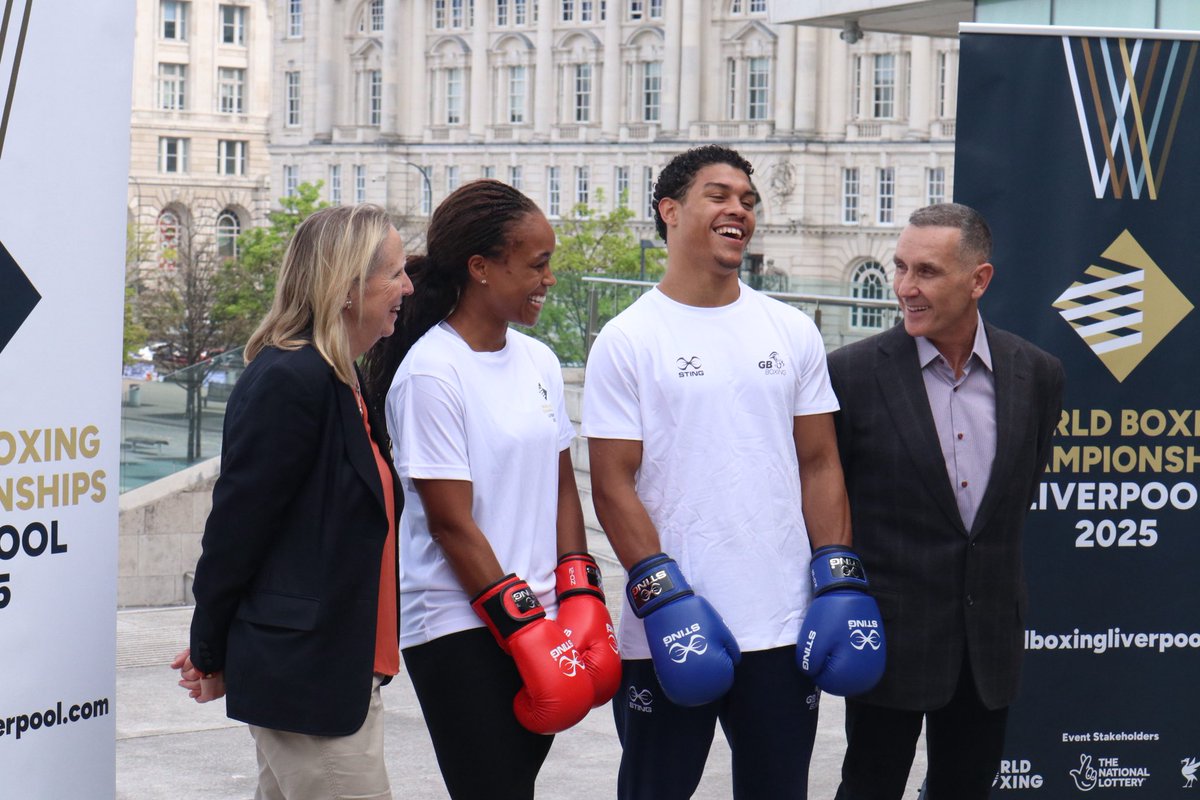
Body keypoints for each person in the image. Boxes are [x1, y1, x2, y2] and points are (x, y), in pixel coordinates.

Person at [581, 144, 884, 800]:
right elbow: (611, 482)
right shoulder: (628, 339)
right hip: (672, 628)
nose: (738, 209)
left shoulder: (791, 329)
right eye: (719, 195)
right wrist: (665, 596)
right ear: (670, 211)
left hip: (781, 625)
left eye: (748, 200)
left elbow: (820, 461)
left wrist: (837, 575)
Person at [361, 179, 620, 799]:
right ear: (480, 268)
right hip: (459, 623)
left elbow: (562, 486)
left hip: (544, 614)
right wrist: (520, 624)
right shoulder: (431, 373)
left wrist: (578, 588)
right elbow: (451, 522)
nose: (548, 279)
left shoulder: (538, 362)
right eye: (537, 264)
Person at [170, 203, 411, 800]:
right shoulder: (290, 379)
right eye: (396, 272)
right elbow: (236, 532)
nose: (408, 286)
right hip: (308, 681)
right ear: (348, 286)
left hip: (341, 673)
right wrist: (209, 649)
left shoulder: (343, 379)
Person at [827, 203, 1065, 799]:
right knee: (867, 787)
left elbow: (1008, 503)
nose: (905, 287)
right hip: (887, 641)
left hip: (987, 647)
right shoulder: (849, 375)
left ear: (978, 280)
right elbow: (830, 507)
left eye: (926, 272)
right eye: (900, 267)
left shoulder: (1037, 374)